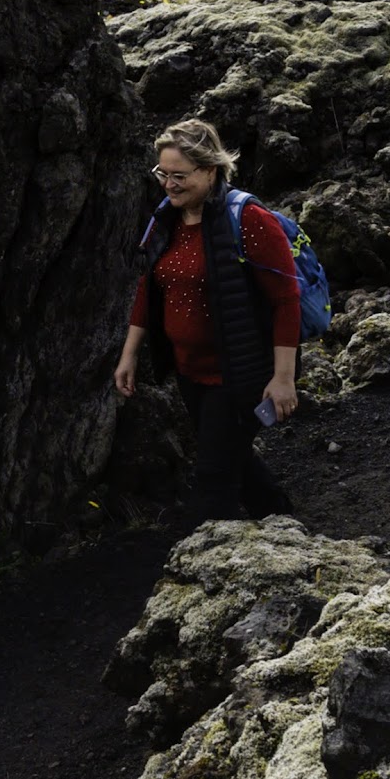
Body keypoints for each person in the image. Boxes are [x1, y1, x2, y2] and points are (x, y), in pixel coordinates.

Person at [114, 117, 302, 526]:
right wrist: (129, 354)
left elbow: (287, 300)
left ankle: (205, 560)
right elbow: (150, 291)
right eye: (162, 174)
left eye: (179, 176)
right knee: (233, 455)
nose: (169, 184)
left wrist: (284, 378)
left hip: (239, 376)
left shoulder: (250, 221)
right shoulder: (167, 219)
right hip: (190, 373)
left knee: (214, 478)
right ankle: (284, 523)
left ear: (210, 170)